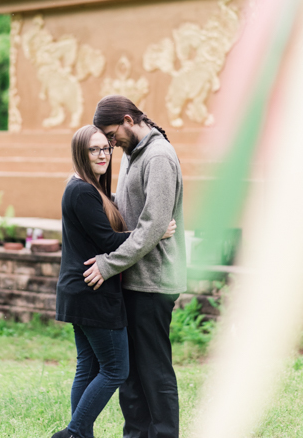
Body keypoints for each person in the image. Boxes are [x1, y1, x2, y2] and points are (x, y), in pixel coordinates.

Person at [53, 125, 176, 438]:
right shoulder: (82, 189)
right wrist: (153, 231)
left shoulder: (88, 187)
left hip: (79, 290)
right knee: (115, 369)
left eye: (105, 148)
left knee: (89, 365)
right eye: (94, 149)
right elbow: (108, 240)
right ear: (80, 153)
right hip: (93, 291)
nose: (102, 154)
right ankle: (75, 432)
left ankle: (79, 433)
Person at [84, 95, 188, 438]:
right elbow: (134, 215)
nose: (110, 145)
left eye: (112, 136)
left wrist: (108, 265)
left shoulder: (158, 157)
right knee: (129, 374)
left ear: (129, 120)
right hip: (132, 279)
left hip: (153, 281)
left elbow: (153, 226)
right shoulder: (132, 154)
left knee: (153, 371)